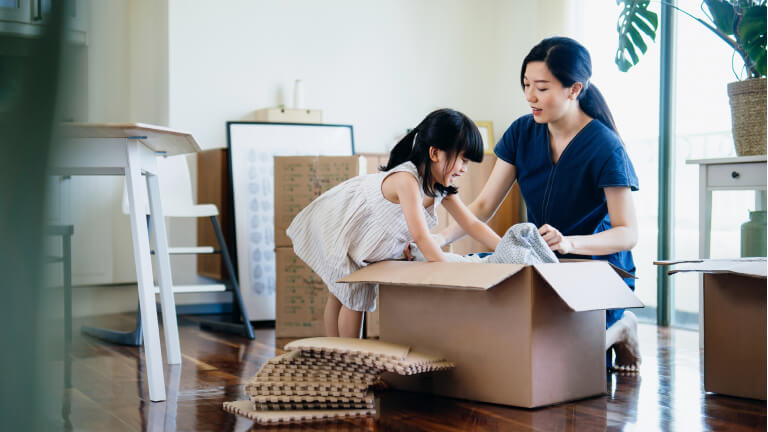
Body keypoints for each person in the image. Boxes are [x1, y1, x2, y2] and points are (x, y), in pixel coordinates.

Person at [434, 37, 641, 371]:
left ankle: (622, 327)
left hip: (599, 271)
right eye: (527, 85)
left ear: (575, 89)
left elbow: (627, 233)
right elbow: (485, 203)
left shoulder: (605, 146)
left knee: (564, 364)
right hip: (543, 263)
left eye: (542, 88)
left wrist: (571, 242)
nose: (531, 96)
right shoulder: (521, 133)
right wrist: (439, 239)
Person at [287, 108, 502, 338]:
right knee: (351, 296)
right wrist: (447, 272)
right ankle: (343, 358)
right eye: (463, 160)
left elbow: (472, 224)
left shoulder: (442, 189)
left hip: (363, 242)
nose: (464, 169)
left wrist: (505, 247)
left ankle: (339, 358)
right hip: (339, 223)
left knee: (346, 294)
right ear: (435, 153)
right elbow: (421, 236)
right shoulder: (406, 180)